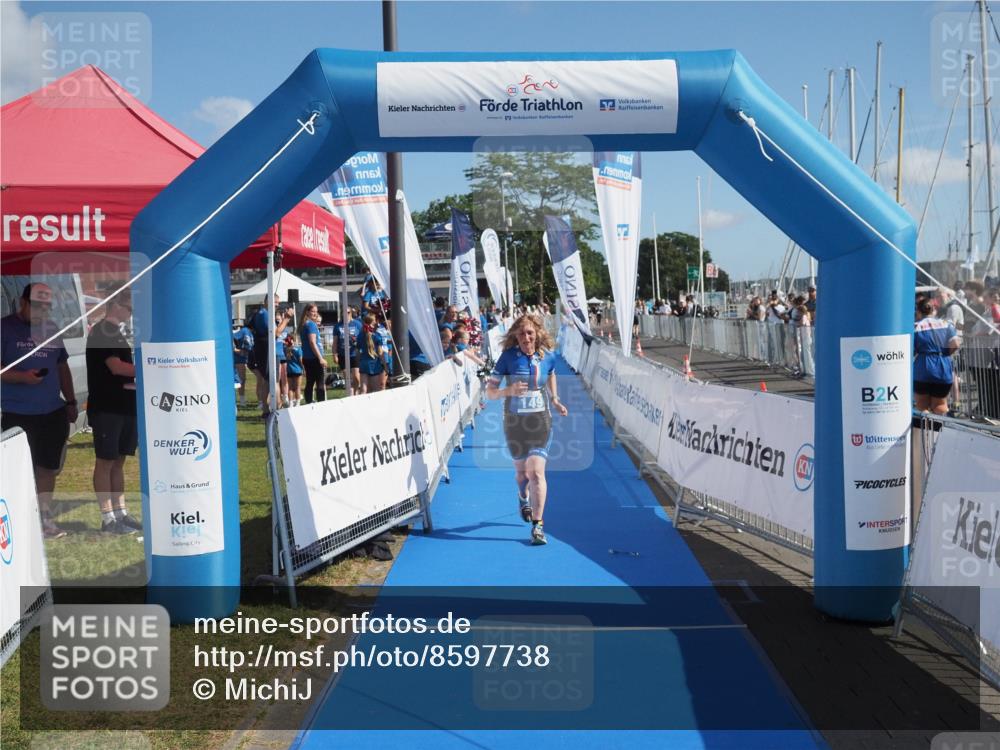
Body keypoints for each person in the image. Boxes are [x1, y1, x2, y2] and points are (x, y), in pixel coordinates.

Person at [0, 283, 78, 538]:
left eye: (47, 307)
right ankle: (19, 523)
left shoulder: (52, 329)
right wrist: (22, 377)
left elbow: (62, 367)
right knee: (19, 471)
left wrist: (71, 401)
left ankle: (44, 520)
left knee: (47, 468)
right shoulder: (4, 328)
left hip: (52, 411)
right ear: (23, 302)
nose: (42, 312)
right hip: (18, 414)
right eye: (37, 306)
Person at [485, 313, 569, 546]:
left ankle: (538, 526)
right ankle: (523, 496)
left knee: (536, 471)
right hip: (514, 423)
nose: (526, 337)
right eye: (521, 333)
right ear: (516, 336)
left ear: (537, 334)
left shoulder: (548, 356)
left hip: (540, 421)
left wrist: (555, 399)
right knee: (522, 475)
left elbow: (551, 374)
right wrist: (507, 392)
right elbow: (489, 392)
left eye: (530, 332)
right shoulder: (507, 358)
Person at [85, 288, 141, 534]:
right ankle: (108, 518)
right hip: (108, 407)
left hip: (124, 405)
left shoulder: (115, 332)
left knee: (118, 461)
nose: (130, 313)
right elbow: (116, 367)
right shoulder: (102, 331)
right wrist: (149, 365)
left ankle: (121, 512)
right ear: (116, 304)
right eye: (129, 308)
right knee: (106, 461)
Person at [914, 298, 961, 415]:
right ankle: (940, 431)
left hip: (923, 365)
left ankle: (925, 431)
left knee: (922, 404)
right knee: (940, 404)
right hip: (943, 365)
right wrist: (944, 355)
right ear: (934, 310)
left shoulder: (915, 327)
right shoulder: (946, 325)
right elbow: (955, 344)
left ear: (919, 312)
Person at [249, 293, 293, 418]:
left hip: (267, 351)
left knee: (268, 380)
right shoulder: (265, 314)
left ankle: (267, 410)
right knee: (274, 381)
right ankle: (275, 408)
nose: (277, 305)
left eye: (278, 302)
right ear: (266, 302)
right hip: (268, 352)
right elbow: (275, 334)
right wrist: (287, 319)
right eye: (275, 302)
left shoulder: (264, 314)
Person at [299, 304, 327, 404]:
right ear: (307, 312)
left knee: (310, 382)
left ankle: (309, 402)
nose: (315, 313)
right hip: (314, 357)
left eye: (316, 311)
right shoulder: (310, 324)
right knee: (319, 382)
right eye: (313, 311)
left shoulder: (305, 324)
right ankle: (321, 403)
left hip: (307, 357)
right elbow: (312, 342)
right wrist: (320, 358)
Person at [358, 313, 390, 393]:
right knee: (375, 390)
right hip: (374, 365)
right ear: (374, 323)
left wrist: (359, 361)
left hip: (363, 363)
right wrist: (385, 366)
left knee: (364, 390)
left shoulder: (360, 335)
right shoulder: (377, 336)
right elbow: (380, 353)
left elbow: (357, 351)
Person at [333, 306, 362, 394]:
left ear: (351, 313)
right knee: (347, 377)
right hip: (342, 354)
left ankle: (356, 392)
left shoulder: (357, 324)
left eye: (348, 312)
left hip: (354, 353)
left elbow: (362, 338)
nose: (346, 314)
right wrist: (334, 355)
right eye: (344, 312)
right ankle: (351, 395)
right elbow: (335, 342)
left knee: (356, 377)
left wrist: (358, 343)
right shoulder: (338, 326)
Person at [232, 318, 254, 408]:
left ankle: (241, 400)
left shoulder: (251, 332)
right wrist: (236, 350)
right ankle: (241, 400)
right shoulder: (245, 330)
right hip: (239, 358)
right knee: (241, 379)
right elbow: (233, 336)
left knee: (242, 379)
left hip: (244, 358)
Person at [285, 334, 303, 407]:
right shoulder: (298, 349)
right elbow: (301, 360)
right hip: (298, 370)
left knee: (290, 388)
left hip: (289, 370)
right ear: (294, 340)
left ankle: (291, 403)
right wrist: (304, 369)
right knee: (297, 387)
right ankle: (298, 403)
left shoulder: (286, 349)